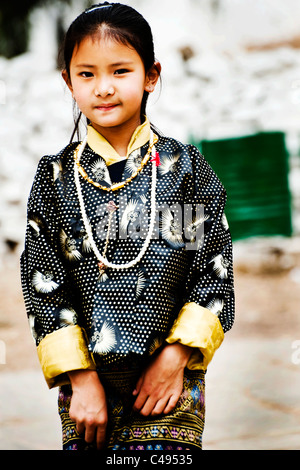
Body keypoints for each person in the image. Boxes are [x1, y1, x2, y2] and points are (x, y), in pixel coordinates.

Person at [20, 2, 234, 451]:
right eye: (86, 74)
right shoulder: (56, 179)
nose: (103, 88)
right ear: (68, 81)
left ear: (151, 75)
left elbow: (211, 276)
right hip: (86, 394)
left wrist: (174, 360)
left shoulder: (183, 170)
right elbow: (45, 286)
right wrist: (81, 380)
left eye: (120, 71)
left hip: (169, 389)